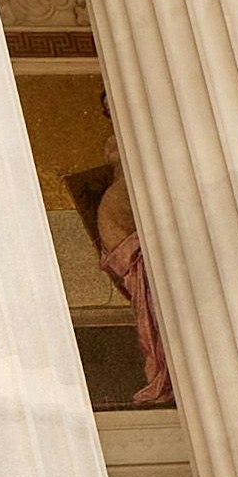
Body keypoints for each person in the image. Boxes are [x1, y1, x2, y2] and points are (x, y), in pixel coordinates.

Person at [91, 139, 174, 407]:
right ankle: (163, 374)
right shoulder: (122, 137)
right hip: (134, 253)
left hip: (143, 252)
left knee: (155, 312)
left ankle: (165, 374)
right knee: (150, 310)